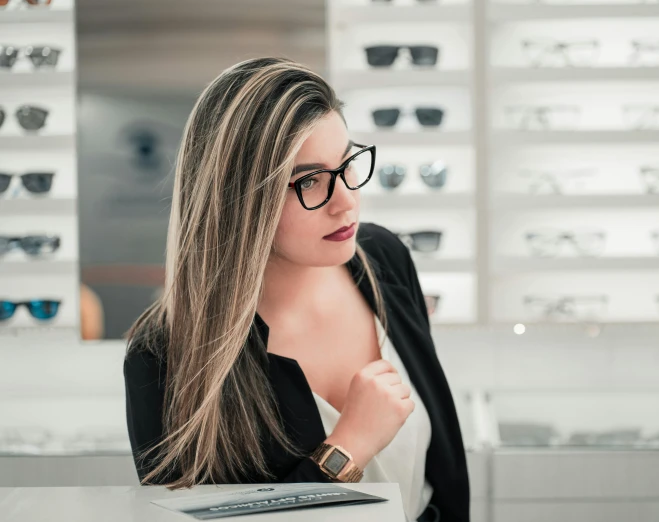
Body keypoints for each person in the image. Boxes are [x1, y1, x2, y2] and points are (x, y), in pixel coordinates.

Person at [122, 58, 469, 522]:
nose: (346, 201)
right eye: (308, 180)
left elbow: (442, 481)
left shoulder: (383, 258)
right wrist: (347, 448)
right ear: (238, 198)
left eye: (347, 163)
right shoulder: (164, 354)